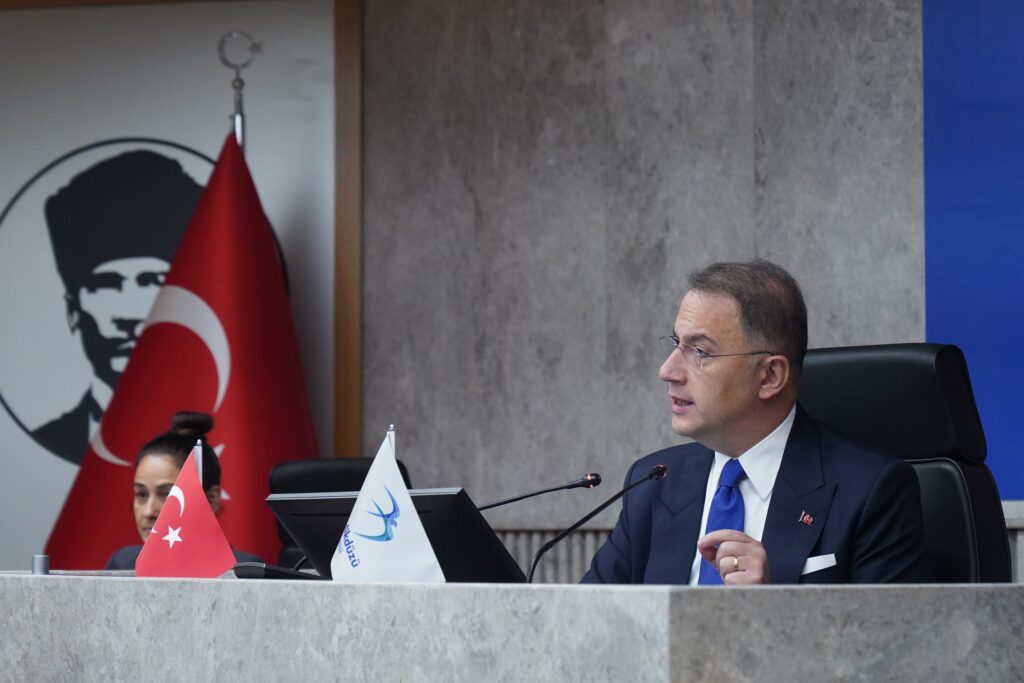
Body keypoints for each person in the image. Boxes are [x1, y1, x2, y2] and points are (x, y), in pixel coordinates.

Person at [581, 259, 930, 584]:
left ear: (769, 376)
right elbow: (588, 618)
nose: (667, 371)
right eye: (676, 343)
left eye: (700, 351)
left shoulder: (872, 490)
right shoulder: (654, 482)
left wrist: (771, 606)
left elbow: (891, 631)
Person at [32, 151, 203, 464]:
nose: (128, 315)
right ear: (72, 310)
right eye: (105, 284)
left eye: (153, 280)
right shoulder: (47, 441)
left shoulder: (233, 440)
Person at [105, 411, 263, 570]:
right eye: (141, 494)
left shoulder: (245, 572)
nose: (148, 512)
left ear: (211, 499)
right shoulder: (121, 563)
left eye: (168, 495)